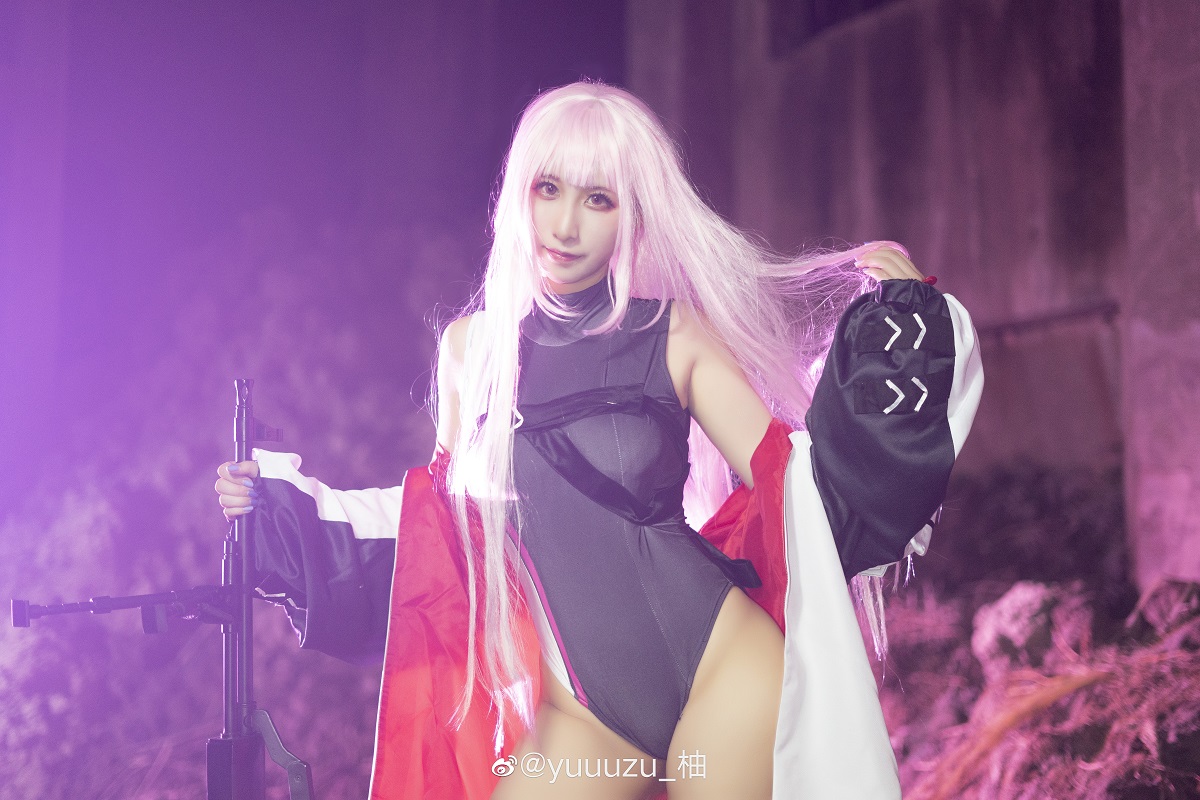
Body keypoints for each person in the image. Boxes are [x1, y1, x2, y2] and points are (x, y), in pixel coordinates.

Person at [214, 82, 983, 800]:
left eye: (598, 199)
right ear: (518, 194)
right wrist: (278, 505)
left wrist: (903, 339)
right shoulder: (471, 353)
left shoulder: (674, 334)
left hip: (724, 673)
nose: (565, 225)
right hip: (585, 716)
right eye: (548, 189)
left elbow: (795, 482)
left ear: (633, 218)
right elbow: (438, 525)